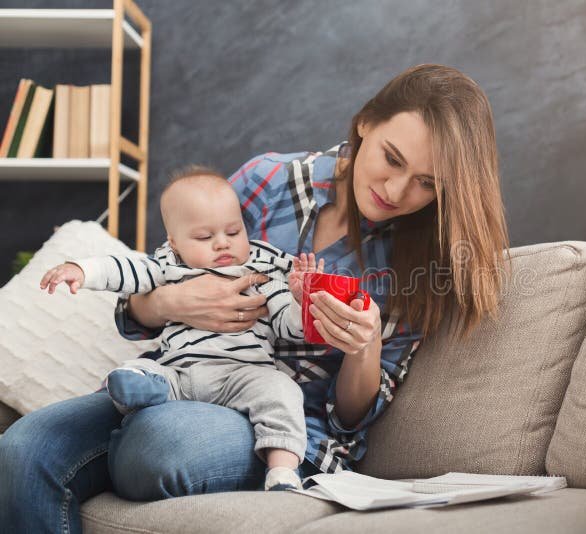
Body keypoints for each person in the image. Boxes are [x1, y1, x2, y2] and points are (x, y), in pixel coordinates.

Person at [0, 63, 510, 533]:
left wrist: (364, 346)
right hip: (181, 379)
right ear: (365, 124)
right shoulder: (268, 180)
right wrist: (171, 305)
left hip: (282, 431)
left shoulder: (425, 264)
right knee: (23, 450)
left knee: (160, 443)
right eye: (391, 159)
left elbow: (349, 419)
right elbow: (151, 286)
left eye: (426, 183)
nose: (397, 191)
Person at [38, 168, 327, 491]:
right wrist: (82, 270)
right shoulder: (168, 264)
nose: (222, 244)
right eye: (205, 237)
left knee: (281, 389)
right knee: (143, 369)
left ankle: (283, 472)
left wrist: (301, 301)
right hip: (179, 375)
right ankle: (137, 389)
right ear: (174, 242)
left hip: (243, 378)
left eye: (234, 231)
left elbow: (289, 327)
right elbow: (125, 270)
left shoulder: (260, 267)